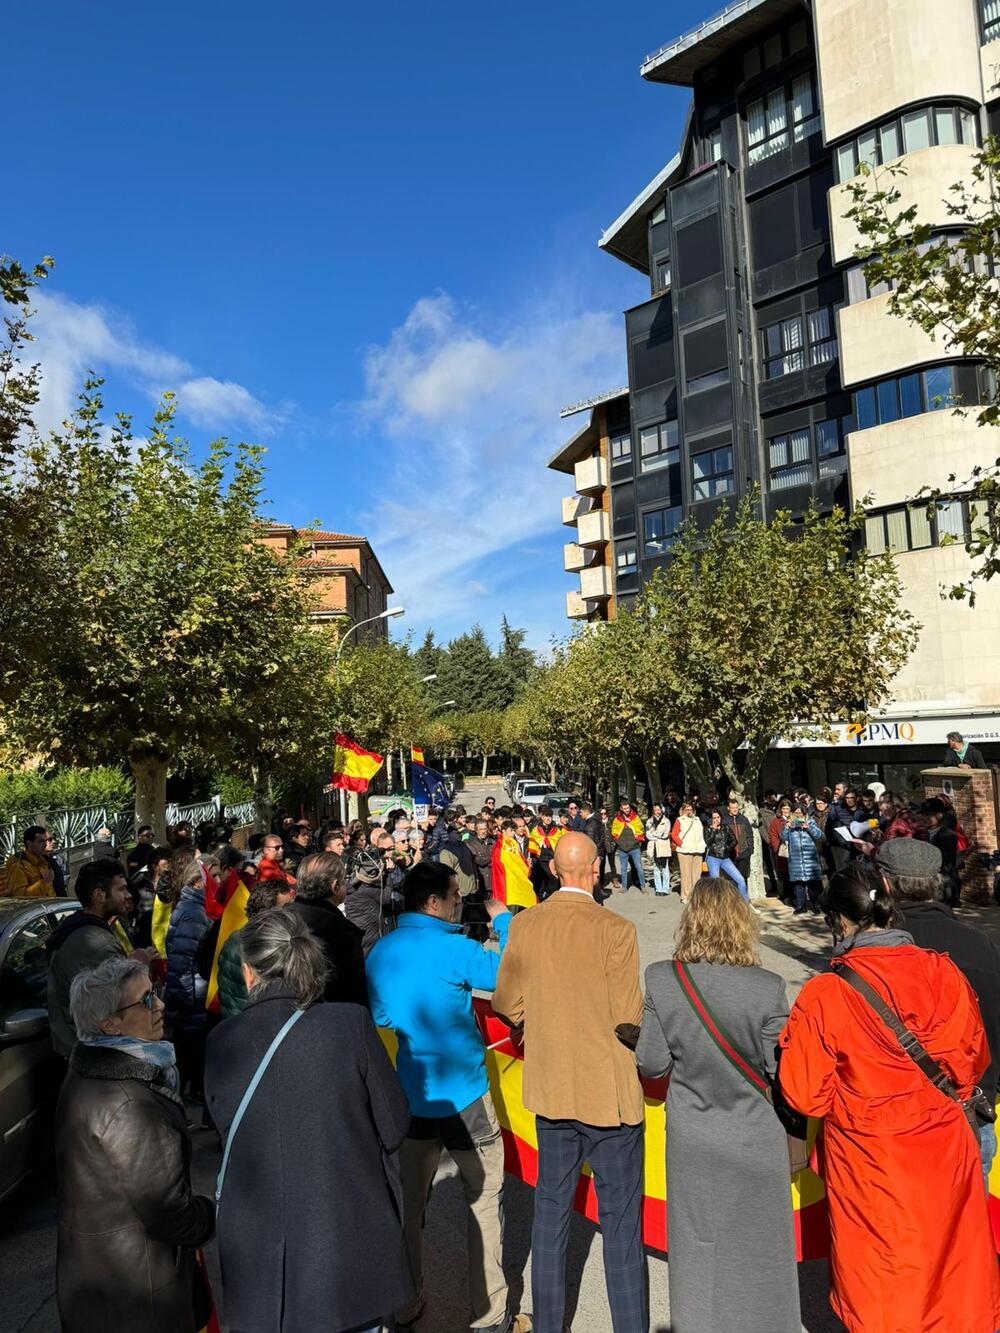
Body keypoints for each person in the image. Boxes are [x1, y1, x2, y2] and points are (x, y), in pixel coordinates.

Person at [779, 862, 1000, 1333]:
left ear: (839, 921)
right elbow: (973, 1059)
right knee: (954, 1277)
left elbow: (805, 1094)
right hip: (945, 1149)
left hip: (871, 1162)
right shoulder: (943, 972)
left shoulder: (825, 995)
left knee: (883, 1287)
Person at [205, 908, 411, 1333]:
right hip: (346, 1239)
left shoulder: (222, 1042)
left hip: (258, 1254)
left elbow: (226, 1125)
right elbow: (394, 1124)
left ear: (249, 973)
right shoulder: (348, 1024)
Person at [493, 833, 646, 1333]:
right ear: (596, 868)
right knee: (622, 1227)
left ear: (556, 871)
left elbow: (505, 1003)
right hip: (610, 1096)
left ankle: (548, 1325)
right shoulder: (616, 929)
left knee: (550, 1215)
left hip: (552, 1090)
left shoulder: (525, 926)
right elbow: (629, 1018)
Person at [366, 862, 525, 1333]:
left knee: (409, 1205)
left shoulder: (379, 953)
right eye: (455, 894)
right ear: (433, 902)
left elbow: (382, 1017)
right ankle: (489, 1314)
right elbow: (509, 976)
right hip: (464, 1096)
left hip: (410, 1096)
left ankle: (406, 1300)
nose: (461, 900)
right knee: (484, 1198)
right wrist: (504, 921)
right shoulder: (456, 948)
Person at [636, 878, 799, 1333]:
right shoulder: (767, 988)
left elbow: (651, 1065)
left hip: (693, 1136)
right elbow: (780, 1074)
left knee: (697, 1246)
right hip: (755, 1138)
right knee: (762, 1245)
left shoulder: (662, 979)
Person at [55, 955, 215, 1333]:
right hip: (138, 1297)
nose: (159, 1004)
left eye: (154, 993)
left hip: (103, 1286)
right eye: (145, 1000)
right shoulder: (128, 1103)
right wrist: (213, 1213)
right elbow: (170, 1213)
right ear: (109, 1024)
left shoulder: (88, 1072)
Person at [876, 836, 1000, 1187]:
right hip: (971, 1112)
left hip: (897, 1124)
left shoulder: (871, 956)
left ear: (885, 883)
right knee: (974, 1232)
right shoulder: (981, 946)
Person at [47, 860, 156, 1058]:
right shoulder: (96, 944)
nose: (128, 895)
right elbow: (119, 1005)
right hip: (97, 1053)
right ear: (99, 895)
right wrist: (139, 965)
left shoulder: (83, 930)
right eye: (121, 889)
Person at [289, 852, 368, 1006]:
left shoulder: (283, 916)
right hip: (329, 1015)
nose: (347, 884)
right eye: (344, 880)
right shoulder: (340, 931)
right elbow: (352, 990)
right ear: (335, 886)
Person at [216, 877, 296, 1019]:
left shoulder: (242, 938)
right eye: (286, 908)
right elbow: (240, 999)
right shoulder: (252, 946)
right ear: (267, 912)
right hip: (248, 1025)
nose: (293, 913)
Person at [165, 858, 212, 1099]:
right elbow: (181, 961)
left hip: (194, 994)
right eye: (211, 877)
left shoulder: (197, 908)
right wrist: (185, 1000)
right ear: (197, 883)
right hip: (193, 998)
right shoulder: (194, 912)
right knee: (188, 1055)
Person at [780, 807, 824, 914]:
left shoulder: (810, 822)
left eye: (800, 812)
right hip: (795, 859)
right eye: (796, 812)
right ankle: (800, 906)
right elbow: (783, 837)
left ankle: (815, 905)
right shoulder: (789, 823)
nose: (798, 815)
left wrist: (808, 828)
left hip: (810, 859)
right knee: (798, 884)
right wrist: (787, 827)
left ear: (804, 813)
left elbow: (819, 835)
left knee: (812, 884)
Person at [704, 809, 749, 901]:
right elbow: (708, 842)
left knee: (740, 880)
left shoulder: (726, 827)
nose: (717, 820)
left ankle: (746, 903)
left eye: (718, 817)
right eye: (714, 818)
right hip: (713, 858)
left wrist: (727, 848)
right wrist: (713, 830)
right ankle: (715, 906)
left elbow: (734, 840)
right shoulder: (707, 828)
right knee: (715, 883)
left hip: (725, 858)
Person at [4, 824, 55, 897]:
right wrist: (44, 882)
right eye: (41, 841)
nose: (45, 845)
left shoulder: (43, 860)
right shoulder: (18, 864)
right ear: (29, 843)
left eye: (45, 841)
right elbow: (20, 896)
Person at [527, 805, 565, 900]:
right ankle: (539, 899)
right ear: (542, 817)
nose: (548, 818)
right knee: (540, 883)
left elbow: (560, 845)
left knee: (553, 880)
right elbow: (532, 846)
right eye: (546, 816)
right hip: (540, 860)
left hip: (552, 860)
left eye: (550, 816)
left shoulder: (557, 830)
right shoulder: (535, 830)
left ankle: (550, 898)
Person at [671, 799, 705, 903]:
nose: (689, 811)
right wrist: (682, 844)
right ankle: (685, 896)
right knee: (686, 875)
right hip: (685, 851)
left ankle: (695, 895)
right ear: (683, 810)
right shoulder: (680, 820)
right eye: (687, 809)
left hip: (697, 849)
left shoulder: (697, 820)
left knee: (697, 875)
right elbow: (674, 834)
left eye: (691, 809)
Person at [610, 798, 646, 892]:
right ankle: (624, 887)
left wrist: (636, 840)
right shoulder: (617, 819)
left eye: (628, 808)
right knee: (623, 869)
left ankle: (643, 886)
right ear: (621, 808)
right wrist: (619, 843)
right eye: (624, 808)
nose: (627, 810)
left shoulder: (635, 817)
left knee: (639, 867)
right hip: (622, 849)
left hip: (634, 848)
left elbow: (641, 829)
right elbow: (614, 832)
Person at [722, 796, 754, 887]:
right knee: (731, 879)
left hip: (744, 853)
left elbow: (750, 835)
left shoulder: (744, 819)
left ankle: (744, 899)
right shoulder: (725, 821)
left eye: (736, 807)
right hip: (730, 855)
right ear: (728, 808)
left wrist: (750, 850)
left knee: (743, 877)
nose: (735, 810)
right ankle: (733, 899)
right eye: (732, 808)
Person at [644, 802, 673, 897]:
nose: (657, 812)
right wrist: (657, 835)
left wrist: (655, 834)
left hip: (663, 847)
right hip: (654, 847)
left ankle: (665, 889)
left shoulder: (667, 821)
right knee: (656, 869)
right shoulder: (649, 822)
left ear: (662, 810)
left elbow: (665, 834)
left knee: (665, 868)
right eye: (655, 810)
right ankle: (658, 888)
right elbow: (648, 835)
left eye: (658, 810)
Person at [44, 830, 68, 897]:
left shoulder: (59, 858)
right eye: (50, 840)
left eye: (53, 839)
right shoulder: (34, 860)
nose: (53, 842)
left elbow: (66, 876)